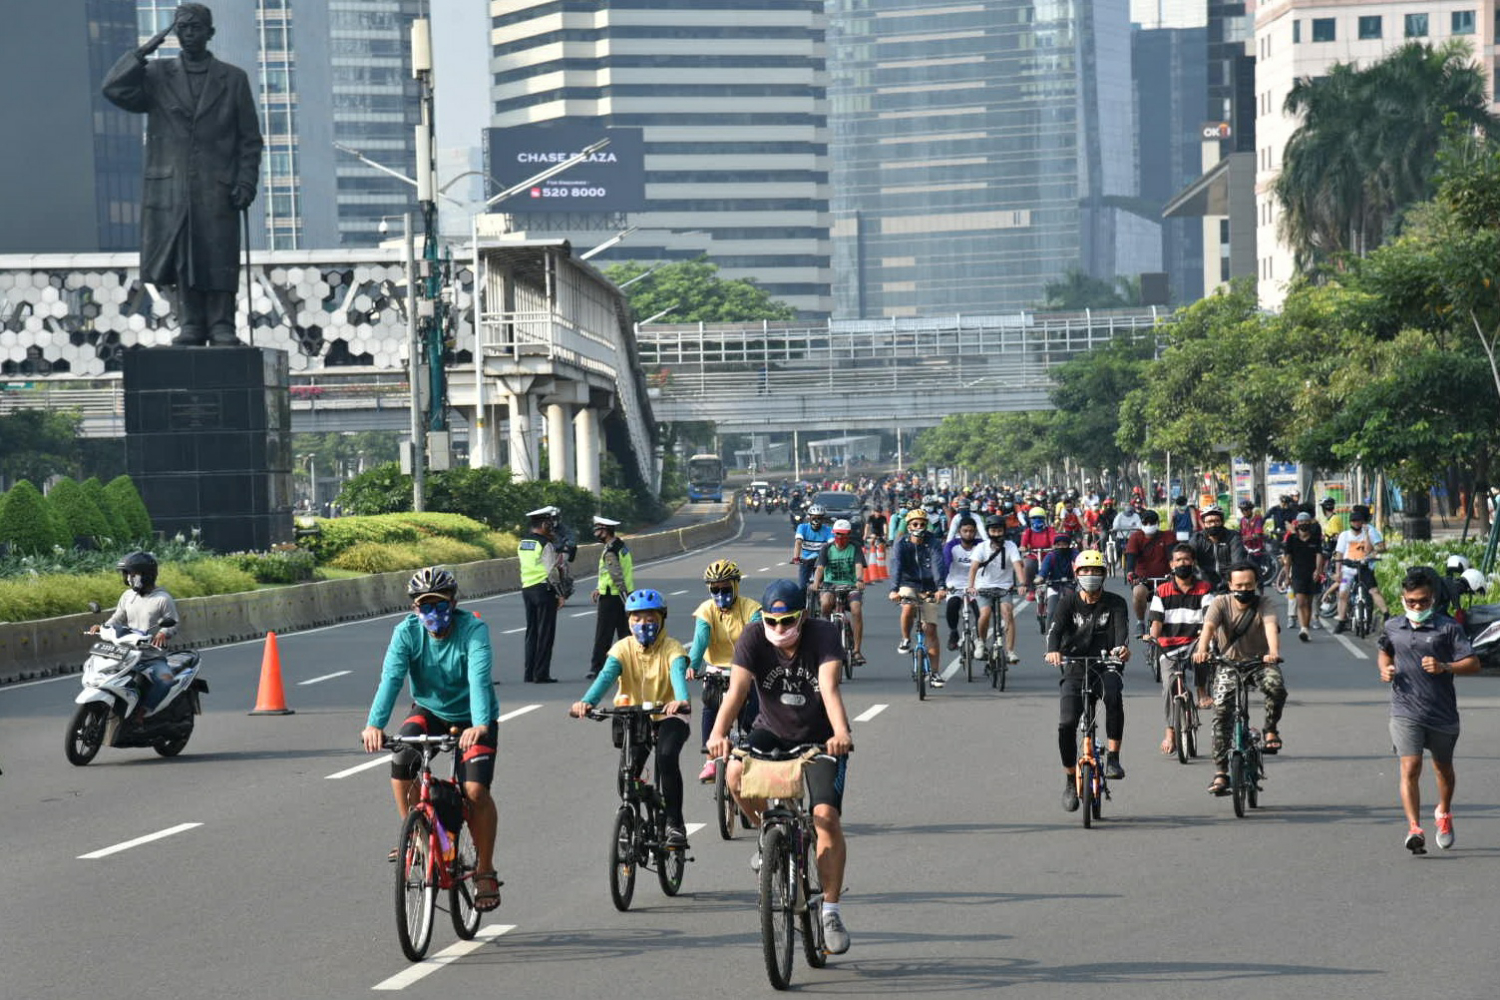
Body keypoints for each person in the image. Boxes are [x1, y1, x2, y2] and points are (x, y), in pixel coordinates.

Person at [706, 580, 855, 955]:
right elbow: (736, 692)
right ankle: (767, 835)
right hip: (770, 732)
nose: (778, 629)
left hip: (820, 738)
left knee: (825, 817)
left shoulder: (823, 634)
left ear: (802, 615)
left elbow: (830, 687)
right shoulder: (753, 638)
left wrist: (840, 733)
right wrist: (718, 734)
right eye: (771, 621)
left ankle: (831, 911)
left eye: (786, 620)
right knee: (735, 775)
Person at [101, 3, 262, 347]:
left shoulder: (233, 79)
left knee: (218, 254)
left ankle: (222, 324)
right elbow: (113, 89)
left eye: (196, 28)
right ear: (175, 33)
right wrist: (143, 52)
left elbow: (250, 139)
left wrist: (247, 180)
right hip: (172, 187)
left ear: (210, 33)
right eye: (183, 28)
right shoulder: (157, 75)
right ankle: (191, 324)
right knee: (184, 256)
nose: (189, 34)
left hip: (218, 186)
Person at [361, 567, 501, 911]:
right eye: (425, 607)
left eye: (440, 605)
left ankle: (484, 869)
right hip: (429, 709)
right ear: (415, 609)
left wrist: (480, 724)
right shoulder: (406, 633)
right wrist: (374, 725)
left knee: (475, 791)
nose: (433, 614)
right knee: (401, 759)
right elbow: (391, 679)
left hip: (473, 717)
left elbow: (479, 679)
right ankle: (416, 835)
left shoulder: (473, 630)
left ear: (454, 603)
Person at [570, 589, 692, 845]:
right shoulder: (622, 649)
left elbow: (678, 673)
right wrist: (586, 702)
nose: (643, 625)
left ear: (661, 619)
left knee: (667, 757)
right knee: (626, 776)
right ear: (628, 621)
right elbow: (606, 677)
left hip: (669, 714)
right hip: (634, 716)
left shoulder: (672, 648)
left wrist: (680, 700)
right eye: (636, 619)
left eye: (649, 619)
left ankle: (674, 823)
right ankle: (635, 817)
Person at [1378, 566, 1479, 853]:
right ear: (1403, 599)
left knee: (1442, 769)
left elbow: (1473, 663)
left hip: (1441, 712)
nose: (1417, 606)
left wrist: (1445, 665)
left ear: (1432, 598)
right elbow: (1384, 650)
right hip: (1404, 710)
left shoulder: (1448, 627)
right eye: (1411, 602)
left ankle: (1444, 813)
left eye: (1423, 601)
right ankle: (1414, 828)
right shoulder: (1393, 626)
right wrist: (1385, 668)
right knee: (1410, 767)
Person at [1046, 550, 1130, 808]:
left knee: (1114, 696)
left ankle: (1114, 758)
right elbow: (1055, 630)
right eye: (1085, 571)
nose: (1090, 576)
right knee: (1066, 723)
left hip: (1106, 665)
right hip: (1074, 667)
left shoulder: (1116, 602)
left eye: (1096, 571)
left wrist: (1121, 650)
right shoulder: (1067, 602)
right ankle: (1071, 781)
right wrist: (1053, 651)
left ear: (1104, 574)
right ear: (1076, 573)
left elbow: (1121, 634)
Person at [1194, 563, 1286, 797]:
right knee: (1221, 715)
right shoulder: (1220, 603)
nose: (1244, 589)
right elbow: (1208, 628)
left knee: (1276, 688)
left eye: (1249, 585)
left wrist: (1273, 653)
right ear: (1230, 585)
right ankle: (1221, 772)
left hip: (1259, 662)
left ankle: (1270, 729)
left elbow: (1270, 628)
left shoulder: (1264, 604)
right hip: (1229, 664)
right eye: (1239, 585)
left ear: (1256, 584)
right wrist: (1202, 650)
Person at [688, 560, 762, 782]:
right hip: (717, 670)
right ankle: (710, 759)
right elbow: (700, 640)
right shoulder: (706, 610)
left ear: (736, 586)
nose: (720, 593)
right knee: (710, 706)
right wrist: (693, 664)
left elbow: (755, 638)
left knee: (755, 710)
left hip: (747, 668)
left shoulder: (751, 608)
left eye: (726, 588)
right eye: (715, 589)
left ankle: (754, 749)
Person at [89, 551, 180, 712]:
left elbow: (174, 622)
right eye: (127, 574)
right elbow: (118, 617)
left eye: (132, 573)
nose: (128, 578)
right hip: (127, 654)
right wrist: (103, 627)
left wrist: (163, 633)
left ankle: (143, 711)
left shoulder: (162, 599)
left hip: (152, 657)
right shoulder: (127, 596)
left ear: (146, 575)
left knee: (166, 680)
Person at [1149, 544, 1214, 753]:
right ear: (1171, 564)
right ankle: (1170, 734)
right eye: (1178, 560)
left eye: (1186, 559)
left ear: (1193, 562)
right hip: (1168, 646)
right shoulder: (1161, 591)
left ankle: (1202, 692)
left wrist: (1205, 639)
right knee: (1169, 686)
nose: (1182, 563)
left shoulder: (1205, 588)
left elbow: (1209, 618)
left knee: (1203, 655)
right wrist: (1152, 638)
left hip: (1195, 640)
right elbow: (1156, 623)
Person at [887, 508, 948, 675]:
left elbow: (937, 565)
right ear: (909, 527)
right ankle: (906, 639)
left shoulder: (933, 542)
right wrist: (894, 589)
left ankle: (935, 673)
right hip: (908, 583)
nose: (919, 526)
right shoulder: (902, 543)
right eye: (915, 524)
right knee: (908, 606)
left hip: (930, 587)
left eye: (922, 524)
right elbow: (896, 567)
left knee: (931, 630)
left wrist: (941, 587)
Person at [966, 514, 1025, 665]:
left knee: (1008, 612)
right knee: (985, 613)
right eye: (993, 531)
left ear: (1004, 531)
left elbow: (1018, 565)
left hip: (1004, 586)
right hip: (983, 586)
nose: (996, 534)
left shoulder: (1010, 546)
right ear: (988, 532)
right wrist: (971, 586)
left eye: (999, 530)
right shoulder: (981, 547)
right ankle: (980, 642)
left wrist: (1022, 583)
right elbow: (973, 568)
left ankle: (1010, 651)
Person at [518, 506, 567, 682]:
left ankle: (529, 673)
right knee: (545, 632)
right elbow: (551, 571)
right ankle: (542, 674)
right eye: (550, 524)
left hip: (527, 589)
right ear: (545, 524)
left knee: (531, 632)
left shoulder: (523, 542)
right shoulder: (545, 544)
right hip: (543, 590)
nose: (552, 528)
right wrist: (560, 593)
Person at [813, 519, 867, 663]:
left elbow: (858, 565)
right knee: (825, 603)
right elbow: (820, 568)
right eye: (838, 534)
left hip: (850, 586)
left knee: (856, 609)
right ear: (834, 534)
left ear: (849, 535)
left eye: (844, 535)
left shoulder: (854, 547)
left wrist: (859, 580)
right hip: (830, 585)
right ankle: (829, 624)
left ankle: (856, 650)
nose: (841, 538)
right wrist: (816, 583)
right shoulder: (827, 548)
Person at [587, 516, 634, 680]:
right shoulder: (620, 546)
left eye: (598, 530)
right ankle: (629, 666)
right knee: (625, 634)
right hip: (620, 595)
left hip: (613, 597)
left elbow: (616, 576)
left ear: (606, 531)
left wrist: (624, 598)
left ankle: (597, 668)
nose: (596, 534)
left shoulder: (611, 551)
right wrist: (599, 588)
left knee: (603, 635)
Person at [1332, 504, 1389, 633]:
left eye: (1359, 521)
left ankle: (1386, 614)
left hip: (1364, 568)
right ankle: (1341, 620)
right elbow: (1339, 554)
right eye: (1354, 521)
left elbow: (1370, 549)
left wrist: (1367, 534)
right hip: (1347, 570)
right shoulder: (1344, 536)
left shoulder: (1367, 532)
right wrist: (1338, 572)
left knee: (1374, 591)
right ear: (1350, 522)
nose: (1356, 524)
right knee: (1343, 593)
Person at [1124, 509, 1174, 636]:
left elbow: (1172, 555)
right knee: (1138, 592)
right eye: (1146, 522)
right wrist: (1130, 573)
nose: (1149, 525)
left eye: (1152, 522)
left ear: (1158, 523)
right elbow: (1130, 558)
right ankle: (1140, 622)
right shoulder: (1136, 537)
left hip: (1166, 579)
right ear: (1141, 523)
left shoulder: (1167, 535)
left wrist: (1174, 571)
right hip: (1143, 580)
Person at [1282, 512, 1327, 641]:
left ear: (1310, 523)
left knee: (1309, 602)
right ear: (1297, 524)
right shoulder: (1291, 539)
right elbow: (1288, 558)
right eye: (1300, 522)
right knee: (1301, 601)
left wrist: (1318, 571)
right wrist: (1287, 575)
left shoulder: (1315, 538)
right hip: (1297, 573)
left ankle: (1306, 628)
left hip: (1312, 574)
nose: (1303, 524)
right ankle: (1304, 629)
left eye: (1305, 522)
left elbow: (1319, 555)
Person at [942, 516, 984, 650]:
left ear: (975, 532)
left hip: (977, 584)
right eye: (965, 531)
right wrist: (941, 586)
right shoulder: (951, 546)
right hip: (955, 583)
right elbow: (945, 565)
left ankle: (980, 639)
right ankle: (953, 632)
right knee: (952, 605)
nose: (968, 534)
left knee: (981, 611)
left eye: (971, 531)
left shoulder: (981, 546)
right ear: (959, 532)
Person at [1190, 506, 1247, 592]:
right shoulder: (1197, 538)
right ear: (1204, 523)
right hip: (1205, 585)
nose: (1213, 525)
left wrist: (1229, 583)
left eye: (1217, 521)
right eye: (1209, 522)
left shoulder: (1233, 537)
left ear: (1222, 522)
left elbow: (1237, 563)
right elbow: (1188, 557)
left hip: (1230, 584)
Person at [790, 503, 833, 594]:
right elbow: (798, 542)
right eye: (814, 518)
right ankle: (803, 606)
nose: (816, 521)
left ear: (823, 519)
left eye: (819, 518)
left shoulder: (828, 530)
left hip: (822, 562)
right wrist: (796, 558)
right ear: (809, 518)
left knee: (826, 587)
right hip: (806, 560)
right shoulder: (802, 527)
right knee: (802, 587)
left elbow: (832, 545)